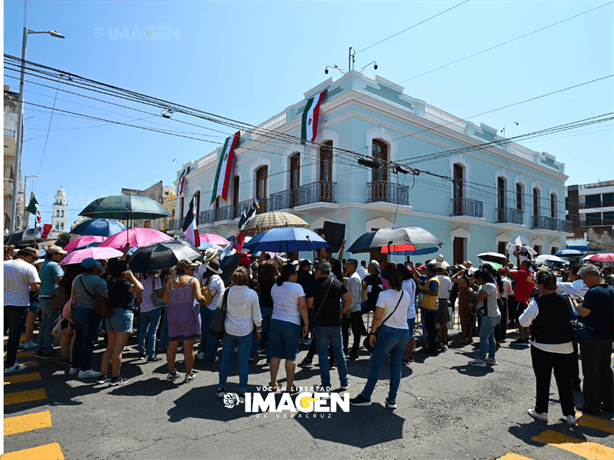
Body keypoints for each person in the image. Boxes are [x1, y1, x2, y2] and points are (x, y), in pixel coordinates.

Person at [519, 271, 576, 425]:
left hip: (542, 346)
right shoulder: (566, 300)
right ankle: (570, 414)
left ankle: (541, 411)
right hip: (566, 346)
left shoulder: (537, 303)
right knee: (565, 382)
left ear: (541, 286)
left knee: (543, 380)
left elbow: (523, 322)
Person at [350, 268, 410, 409]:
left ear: (388, 281)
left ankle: (366, 395)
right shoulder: (406, 294)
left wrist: (372, 333)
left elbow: (377, 317)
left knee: (376, 364)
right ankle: (392, 399)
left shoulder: (384, 295)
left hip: (387, 332)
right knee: (396, 367)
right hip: (403, 332)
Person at [217, 268, 262, 401]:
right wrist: (258, 330)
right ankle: (243, 390)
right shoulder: (252, 294)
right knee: (243, 362)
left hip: (229, 329)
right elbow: (256, 315)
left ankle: (221, 387)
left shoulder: (226, 292)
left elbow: (218, 307)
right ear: (246, 279)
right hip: (246, 330)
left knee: (226, 359)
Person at [574, 264, 614, 415]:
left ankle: (592, 405)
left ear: (590, 275)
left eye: (584, 278)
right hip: (607, 336)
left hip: (593, 336)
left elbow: (584, 313)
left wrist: (577, 305)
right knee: (605, 370)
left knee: (591, 371)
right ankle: (609, 403)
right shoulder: (610, 289)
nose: (583, 282)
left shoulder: (594, 291)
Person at [306, 261, 351, 391]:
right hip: (335, 323)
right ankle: (344, 381)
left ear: (319, 271)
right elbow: (348, 300)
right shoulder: (337, 283)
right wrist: (341, 312)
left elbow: (309, 304)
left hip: (321, 323)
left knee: (323, 355)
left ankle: (326, 384)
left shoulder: (314, 284)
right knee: (339, 352)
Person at [99, 260, 144, 386]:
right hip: (123, 316)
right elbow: (140, 288)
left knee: (110, 348)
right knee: (118, 350)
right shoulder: (124, 283)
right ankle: (115, 377)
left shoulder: (110, 281)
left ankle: (102, 376)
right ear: (124, 271)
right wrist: (132, 276)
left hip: (111, 315)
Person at [163, 259, 207, 382]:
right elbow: (199, 298)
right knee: (188, 346)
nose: (194, 270)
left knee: (172, 344)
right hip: (187, 314)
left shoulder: (169, 282)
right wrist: (204, 298)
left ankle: (171, 373)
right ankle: (189, 374)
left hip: (172, 314)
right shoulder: (193, 281)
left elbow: (165, 301)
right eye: (192, 268)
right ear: (186, 269)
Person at [269, 264, 309, 393]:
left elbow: (274, 302)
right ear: (291, 275)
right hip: (292, 323)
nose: (297, 276)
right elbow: (303, 307)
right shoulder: (297, 287)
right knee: (290, 357)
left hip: (276, 321)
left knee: (275, 355)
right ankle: (289, 387)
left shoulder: (275, 286)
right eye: (295, 273)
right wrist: (306, 324)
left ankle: (273, 384)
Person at [4, 248, 41, 374]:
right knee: (14, 337)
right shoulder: (29, 268)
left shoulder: (3, 264)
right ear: (30, 257)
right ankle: (10, 364)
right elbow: (35, 287)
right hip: (19, 305)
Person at [70, 258, 108, 379]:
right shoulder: (97, 280)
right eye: (97, 266)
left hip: (77, 311)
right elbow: (107, 295)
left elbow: (74, 294)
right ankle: (85, 369)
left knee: (79, 339)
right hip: (91, 311)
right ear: (93, 268)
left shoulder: (77, 278)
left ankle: (74, 366)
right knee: (89, 341)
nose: (99, 267)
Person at [36, 246, 68, 359]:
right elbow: (60, 282)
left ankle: (41, 349)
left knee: (44, 325)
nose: (63, 256)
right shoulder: (54, 265)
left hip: (44, 298)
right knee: (50, 325)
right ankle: (47, 350)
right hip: (52, 299)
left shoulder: (44, 264)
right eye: (61, 254)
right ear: (53, 254)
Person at [467, 270, 501, 367]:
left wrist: (471, 291)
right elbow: (481, 291)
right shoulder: (489, 285)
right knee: (490, 337)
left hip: (489, 316)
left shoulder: (488, 286)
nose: (476, 281)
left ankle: (481, 359)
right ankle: (491, 358)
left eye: (476, 279)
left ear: (480, 278)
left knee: (483, 337)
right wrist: (474, 287)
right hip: (493, 315)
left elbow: (479, 297)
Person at [197, 258, 225, 363]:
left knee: (204, 331)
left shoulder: (203, 276)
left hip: (204, 306)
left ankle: (201, 352)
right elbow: (222, 293)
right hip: (214, 308)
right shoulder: (217, 278)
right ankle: (209, 356)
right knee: (213, 333)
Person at [506, 256, 537, 346]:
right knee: (526, 318)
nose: (520, 265)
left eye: (521, 263)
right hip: (528, 299)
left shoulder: (523, 273)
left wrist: (506, 264)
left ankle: (522, 337)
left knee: (520, 319)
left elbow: (509, 273)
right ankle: (527, 336)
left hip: (522, 299)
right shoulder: (531, 275)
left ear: (524, 265)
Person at [412, 262, 439, 355]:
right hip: (427, 307)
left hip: (431, 308)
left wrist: (423, 290)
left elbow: (435, 292)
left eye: (427, 269)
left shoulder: (433, 281)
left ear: (430, 271)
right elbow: (419, 276)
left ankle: (432, 348)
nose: (425, 271)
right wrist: (412, 266)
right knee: (429, 328)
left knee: (431, 329)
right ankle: (430, 346)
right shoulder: (429, 278)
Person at [136, 272, 164, 363]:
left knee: (142, 331)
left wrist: (140, 305)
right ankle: (151, 355)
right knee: (153, 332)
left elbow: (138, 294)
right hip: (154, 308)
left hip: (143, 308)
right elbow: (160, 294)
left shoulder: (141, 279)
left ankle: (142, 352)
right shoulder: (156, 279)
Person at [252, 263, 276, 362]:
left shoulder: (261, 278)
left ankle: (252, 353)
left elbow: (260, 264)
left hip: (262, 305)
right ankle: (270, 357)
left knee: (260, 330)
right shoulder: (275, 281)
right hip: (272, 307)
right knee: (272, 333)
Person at [342, 259, 365, 361]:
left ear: (352, 266)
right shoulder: (351, 277)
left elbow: (354, 297)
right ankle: (346, 349)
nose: (345, 266)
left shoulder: (354, 279)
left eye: (347, 264)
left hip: (353, 309)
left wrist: (349, 309)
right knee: (346, 329)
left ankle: (354, 351)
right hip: (351, 308)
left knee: (354, 331)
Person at [399, 264, 416, 364]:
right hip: (411, 310)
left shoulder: (404, 284)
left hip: (406, 312)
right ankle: (410, 355)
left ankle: (405, 357)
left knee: (406, 336)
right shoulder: (412, 281)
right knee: (411, 335)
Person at [451, 268, 473, 344]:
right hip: (468, 301)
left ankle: (464, 337)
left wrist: (458, 273)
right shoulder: (471, 280)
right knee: (469, 320)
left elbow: (452, 278)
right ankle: (470, 337)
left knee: (463, 320)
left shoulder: (463, 281)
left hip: (463, 302)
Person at [436, 266, 452, 351]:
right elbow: (449, 290)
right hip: (444, 300)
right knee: (443, 322)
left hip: (436, 300)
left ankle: (440, 339)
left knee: (437, 323)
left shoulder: (434, 278)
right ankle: (444, 340)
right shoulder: (447, 279)